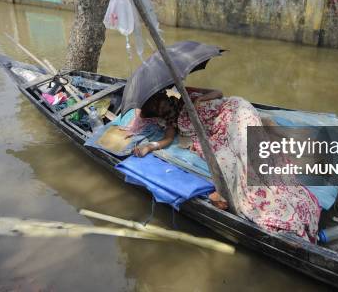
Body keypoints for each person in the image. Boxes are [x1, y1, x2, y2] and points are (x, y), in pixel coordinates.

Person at [128, 89, 321, 241]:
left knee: (248, 148)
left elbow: (218, 93)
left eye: (158, 101)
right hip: (220, 130)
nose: (159, 106)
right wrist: (149, 146)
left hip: (234, 110)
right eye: (155, 107)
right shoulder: (172, 122)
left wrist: (201, 100)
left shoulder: (185, 91)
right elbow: (167, 140)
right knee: (228, 157)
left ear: (163, 95)